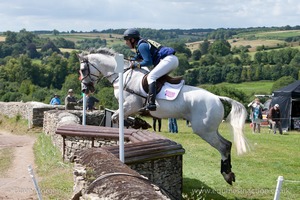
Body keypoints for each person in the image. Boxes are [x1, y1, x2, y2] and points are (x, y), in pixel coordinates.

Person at [123, 28, 178, 111]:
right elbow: (137, 58)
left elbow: (148, 62)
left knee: (151, 77)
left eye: (127, 40)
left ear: (132, 39)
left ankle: (151, 103)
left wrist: (136, 64)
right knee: (158, 78)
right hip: (170, 60)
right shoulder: (141, 44)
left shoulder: (142, 45)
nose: (126, 43)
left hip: (168, 60)